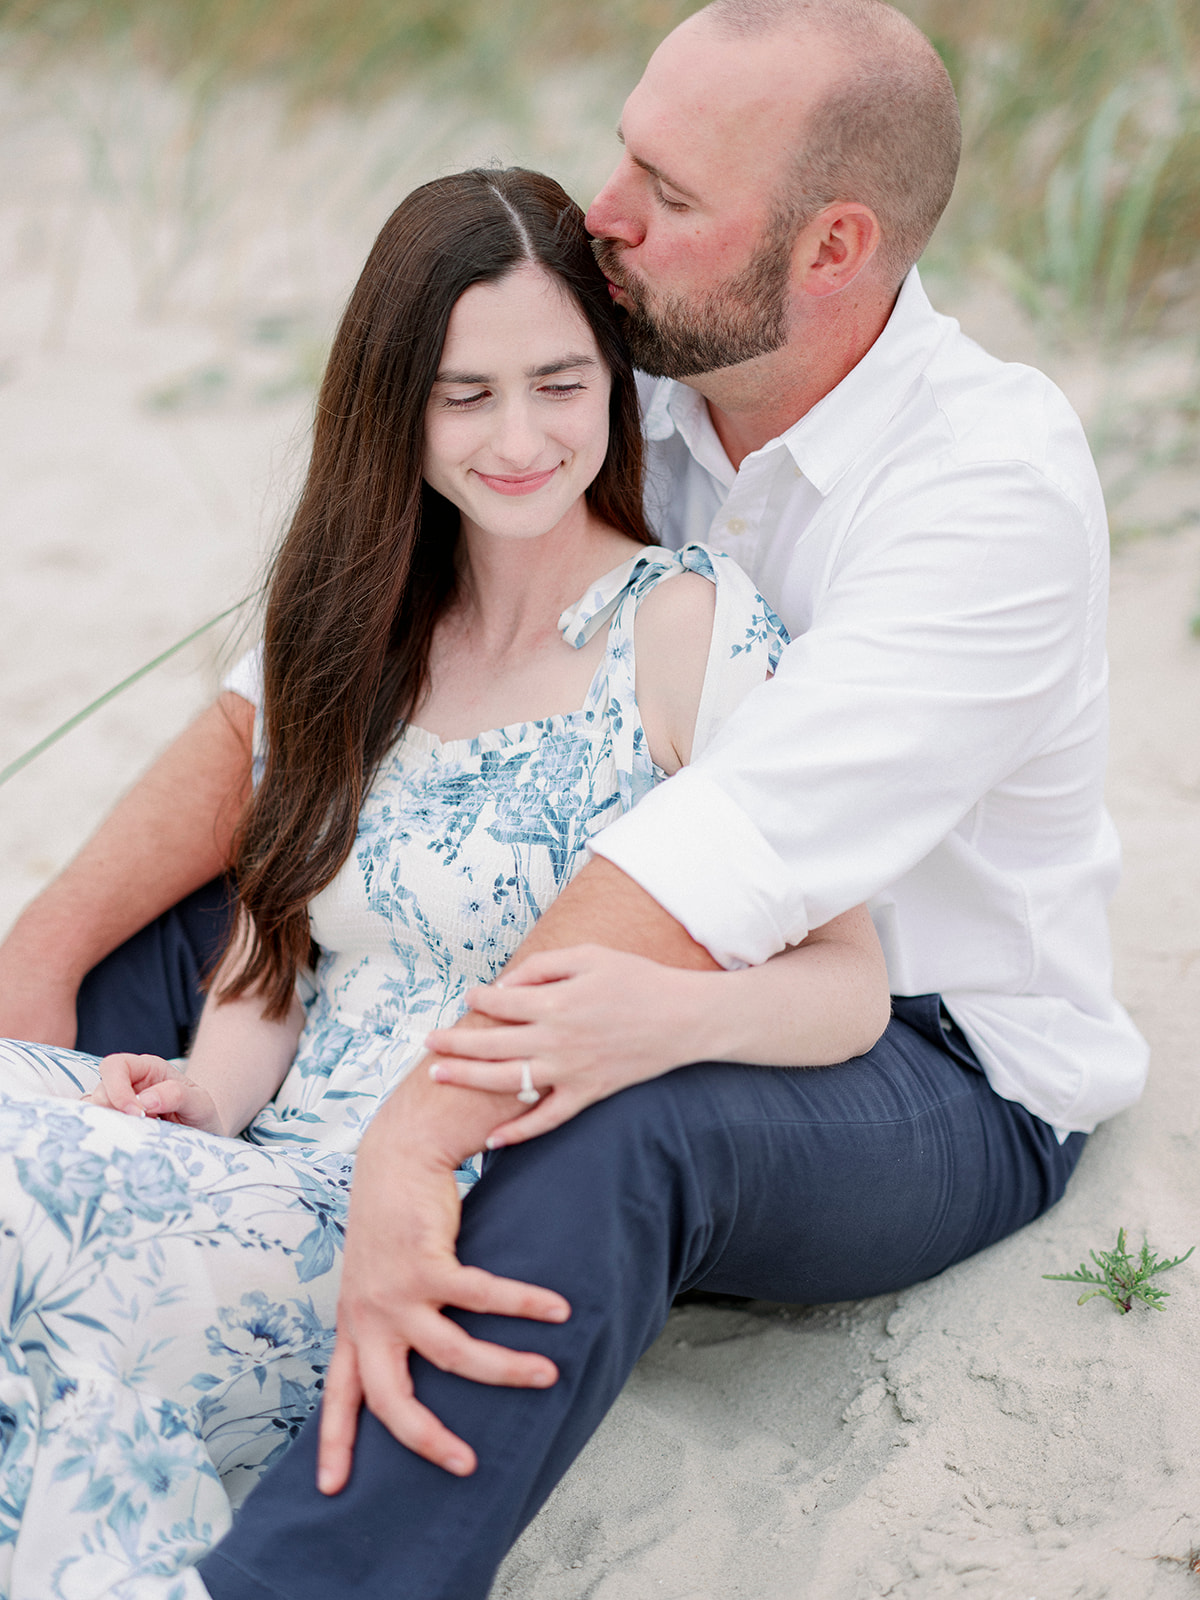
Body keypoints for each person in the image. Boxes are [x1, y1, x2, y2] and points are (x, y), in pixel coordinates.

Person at [0, 0, 1149, 1596]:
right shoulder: (628, 374)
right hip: (554, 945)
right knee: (221, 921)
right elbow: (300, 711)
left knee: (603, 1123)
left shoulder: (985, 489)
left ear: (832, 246)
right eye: (627, 148)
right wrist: (41, 953)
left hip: (927, 1051)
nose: (607, 209)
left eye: (670, 195)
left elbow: (722, 863)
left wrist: (415, 1137)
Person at [0, 165, 887, 1599]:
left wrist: (665, 1023)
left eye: (558, 381)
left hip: (401, 1239)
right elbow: (276, 951)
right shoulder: (347, 636)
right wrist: (209, 1094)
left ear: (615, 383)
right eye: (465, 395)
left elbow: (851, 983)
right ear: (395, 404)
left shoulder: (689, 633)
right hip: (249, 1172)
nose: (523, 437)